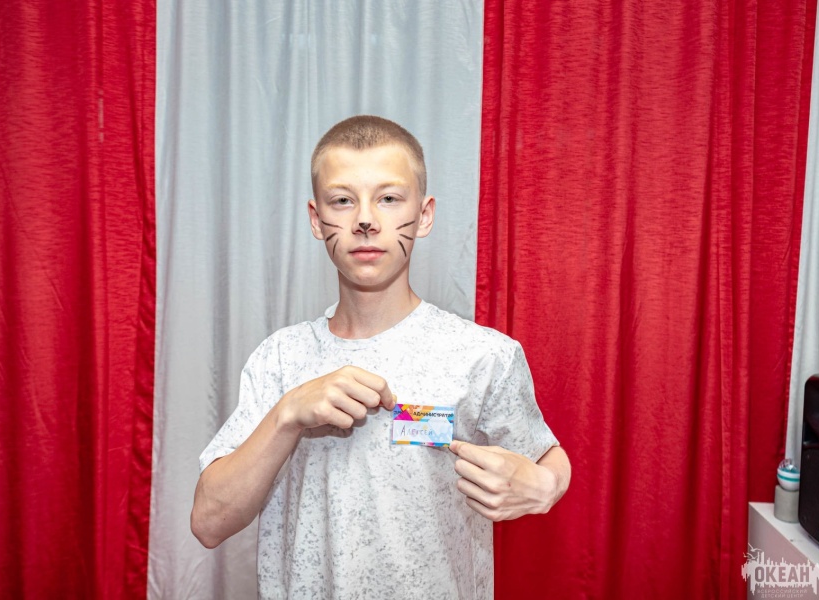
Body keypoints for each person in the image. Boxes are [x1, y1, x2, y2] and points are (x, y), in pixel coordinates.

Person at [191, 115, 571, 599]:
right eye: (342, 200)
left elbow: (546, 457)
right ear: (316, 220)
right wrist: (288, 415)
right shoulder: (279, 359)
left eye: (389, 198)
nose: (365, 220)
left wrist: (546, 486)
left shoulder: (483, 356)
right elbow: (209, 523)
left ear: (425, 215)